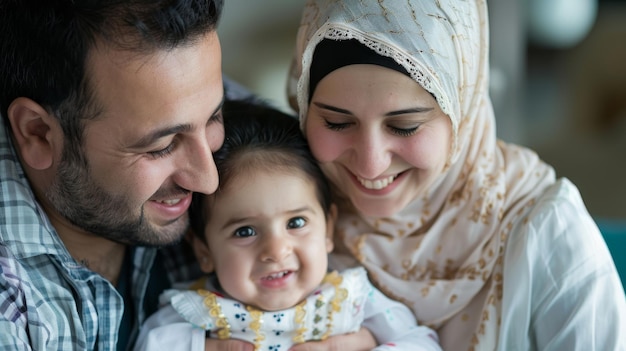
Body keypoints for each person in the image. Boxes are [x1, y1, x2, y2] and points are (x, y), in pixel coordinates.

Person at [286, 1, 626, 350]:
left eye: (405, 126)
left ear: (462, 112)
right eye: (337, 123)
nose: (371, 164)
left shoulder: (545, 234)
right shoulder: (284, 224)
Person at [0, 1, 254, 350]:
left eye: (214, 118)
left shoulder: (173, 83)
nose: (208, 180)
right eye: (162, 146)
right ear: (39, 132)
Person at [133, 100, 442, 351]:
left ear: (328, 230)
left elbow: (422, 343)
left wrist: (372, 344)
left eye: (296, 222)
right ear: (204, 250)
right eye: (245, 231)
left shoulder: (354, 300)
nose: (276, 250)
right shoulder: (194, 315)